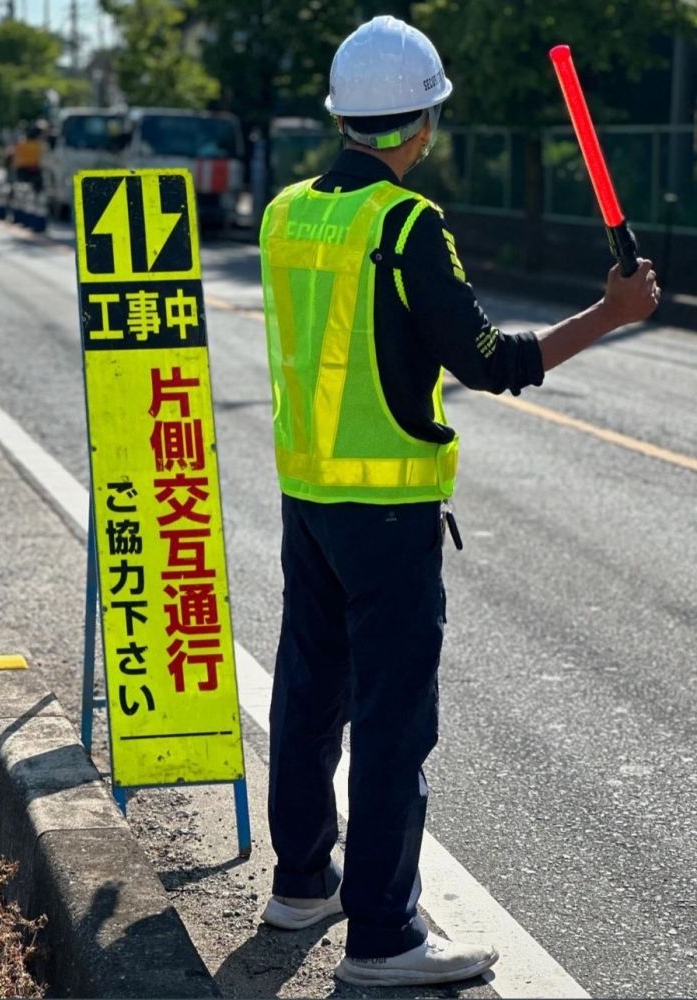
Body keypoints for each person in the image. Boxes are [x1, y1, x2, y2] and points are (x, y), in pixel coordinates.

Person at [257, 14, 659, 989]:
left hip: (306, 492)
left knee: (310, 692)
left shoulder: (287, 212)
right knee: (394, 718)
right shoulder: (404, 225)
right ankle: (383, 935)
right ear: (420, 126)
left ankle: (302, 881)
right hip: (387, 510)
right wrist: (610, 313)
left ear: (348, 119)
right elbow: (488, 363)